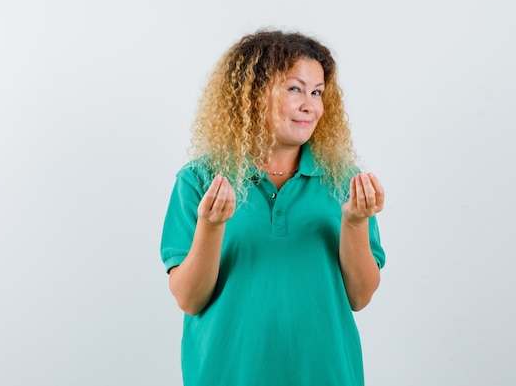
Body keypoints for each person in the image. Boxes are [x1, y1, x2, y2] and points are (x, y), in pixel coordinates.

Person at [160, 29, 386, 386]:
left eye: (317, 92)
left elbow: (360, 296)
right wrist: (210, 225)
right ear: (252, 95)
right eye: (294, 89)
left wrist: (356, 222)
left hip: (326, 373)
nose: (309, 105)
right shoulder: (199, 180)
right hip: (227, 374)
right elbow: (189, 299)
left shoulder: (344, 181)